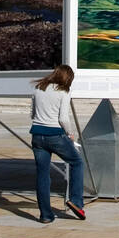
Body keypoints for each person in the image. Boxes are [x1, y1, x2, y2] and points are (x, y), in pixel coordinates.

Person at [29, 65, 86, 222]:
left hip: (37, 135)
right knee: (77, 163)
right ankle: (76, 201)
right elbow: (63, 118)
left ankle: (46, 215)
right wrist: (70, 134)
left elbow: (32, 114)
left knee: (42, 175)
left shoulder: (38, 88)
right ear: (67, 78)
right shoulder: (63, 92)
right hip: (55, 135)